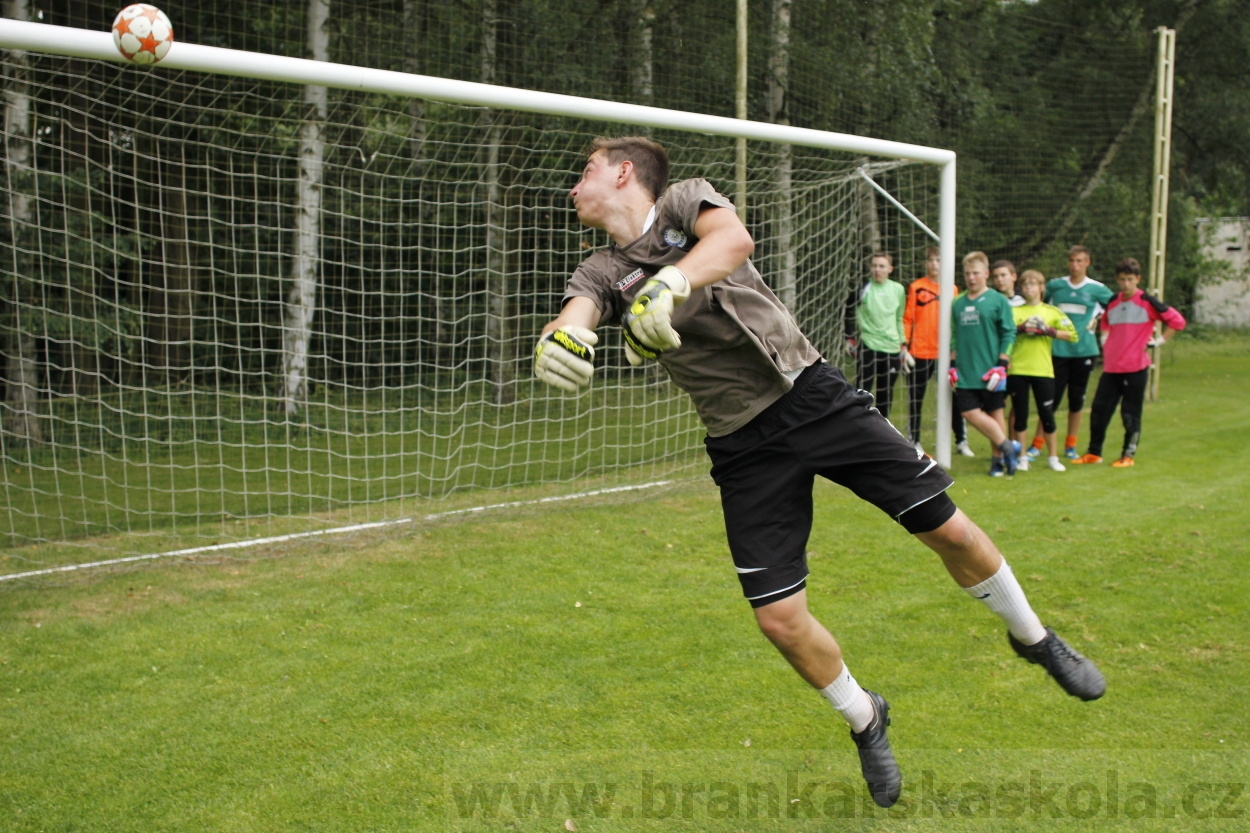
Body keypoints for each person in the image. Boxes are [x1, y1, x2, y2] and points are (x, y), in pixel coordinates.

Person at [535, 137, 1105, 810]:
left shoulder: (684, 201)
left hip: (812, 396)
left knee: (949, 531)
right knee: (778, 618)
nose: (575, 186)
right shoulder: (602, 268)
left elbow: (733, 240)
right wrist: (559, 339)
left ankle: (1034, 637)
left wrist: (673, 280)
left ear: (624, 173)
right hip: (742, 444)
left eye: (586, 171)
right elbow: (577, 311)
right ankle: (866, 715)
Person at [1071, 257, 1186, 467]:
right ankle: (1094, 453)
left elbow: (1177, 321)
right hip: (1112, 367)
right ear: (1117, 279)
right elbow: (1105, 321)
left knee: (1130, 413)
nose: (1126, 284)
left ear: (1138, 279)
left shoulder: (1148, 302)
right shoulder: (1113, 302)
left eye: (1130, 279)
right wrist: (1105, 339)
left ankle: (1128, 455)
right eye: (1122, 279)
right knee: (1099, 411)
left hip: (1135, 368)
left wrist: (1158, 341)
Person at [1027, 246, 1113, 461]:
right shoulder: (1056, 286)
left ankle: (1070, 445)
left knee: (1077, 400)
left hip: (1084, 351)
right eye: (1072, 260)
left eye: (1080, 261)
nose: (1075, 265)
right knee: (1050, 401)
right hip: (1057, 350)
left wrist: (1101, 319)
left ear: (1088, 263)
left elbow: (1115, 307)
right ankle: (1037, 445)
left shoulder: (1098, 289)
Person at [950, 251, 1022, 477]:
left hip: (992, 370)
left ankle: (998, 462)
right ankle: (1009, 446)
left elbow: (1009, 333)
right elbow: (954, 336)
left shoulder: (998, 300)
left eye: (976, 273)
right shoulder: (958, 303)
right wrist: (952, 365)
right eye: (968, 273)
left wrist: (1002, 364)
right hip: (966, 371)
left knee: (995, 414)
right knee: (969, 413)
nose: (971, 278)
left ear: (986, 274)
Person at [901, 246, 976, 457]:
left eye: (938, 260)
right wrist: (904, 345)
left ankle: (961, 440)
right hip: (920, 352)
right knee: (917, 398)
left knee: (954, 396)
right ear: (926, 263)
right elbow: (908, 318)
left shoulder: (952, 289)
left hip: (946, 354)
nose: (935, 264)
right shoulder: (916, 287)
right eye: (931, 260)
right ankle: (914, 439)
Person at [1008, 270, 1079, 472]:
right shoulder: (1015, 312)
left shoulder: (1051, 312)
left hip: (1043, 370)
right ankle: (1022, 457)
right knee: (1020, 414)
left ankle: (1053, 457)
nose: (1029, 287)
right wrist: (1021, 328)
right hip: (1019, 369)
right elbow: (1004, 333)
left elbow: (1073, 335)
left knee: (1047, 413)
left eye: (1033, 284)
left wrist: (1048, 330)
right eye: (1025, 284)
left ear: (1041, 287)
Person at [853, 252, 906, 419]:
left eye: (881, 266)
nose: (877, 269)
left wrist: (903, 343)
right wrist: (849, 338)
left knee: (886, 393)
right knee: (862, 391)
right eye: (874, 265)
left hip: (892, 347)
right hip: (868, 345)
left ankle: (883, 431)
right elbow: (848, 311)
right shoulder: (863, 289)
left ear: (890, 269)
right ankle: (857, 426)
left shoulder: (898, 289)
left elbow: (899, 318)